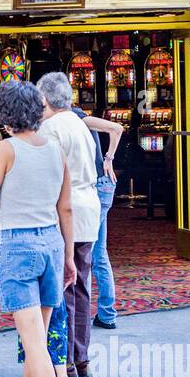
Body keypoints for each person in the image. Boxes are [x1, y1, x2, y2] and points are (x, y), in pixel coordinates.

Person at [0, 79, 76, 377]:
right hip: (52, 241)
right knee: (39, 337)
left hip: (18, 245)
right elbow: (65, 207)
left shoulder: (6, 148)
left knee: (32, 341)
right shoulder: (56, 149)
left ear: (3, 115)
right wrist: (68, 256)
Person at [38, 73, 101, 377]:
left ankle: (61, 363)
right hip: (88, 209)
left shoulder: (50, 128)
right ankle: (81, 358)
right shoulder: (80, 123)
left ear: (46, 100)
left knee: (59, 288)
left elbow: (48, 175)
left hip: (63, 210)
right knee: (82, 287)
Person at [75, 109, 124, 329]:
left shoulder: (77, 116)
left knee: (87, 253)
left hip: (96, 185)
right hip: (101, 186)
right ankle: (106, 313)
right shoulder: (72, 118)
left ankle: (84, 313)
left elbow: (116, 128)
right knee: (98, 253)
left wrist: (109, 159)